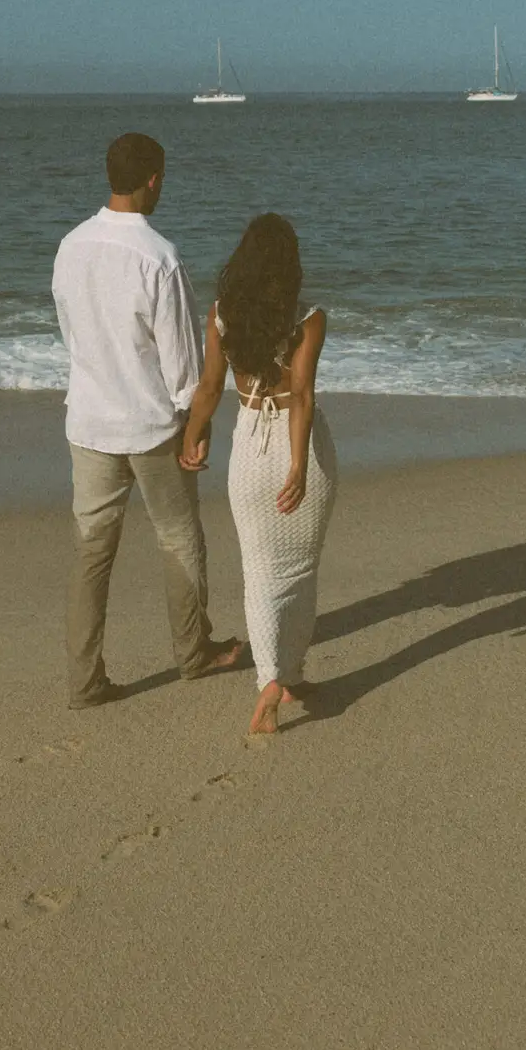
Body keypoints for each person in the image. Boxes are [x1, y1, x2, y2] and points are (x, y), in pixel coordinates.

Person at [51, 132, 241, 709]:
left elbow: (71, 333)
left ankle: (84, 680)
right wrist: (196, 427)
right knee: (179, 537)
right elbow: (183, 366)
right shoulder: (159, 256)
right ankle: (193, 651)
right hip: (150, 425)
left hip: (89, 421)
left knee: (92, 554)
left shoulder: (70, 246)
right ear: (153, 180)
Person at [180, 213, 338, 734]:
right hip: (303, 449)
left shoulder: (223, 316)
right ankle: (288, 675)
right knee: (301, 570)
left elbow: (207, 388)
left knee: (261, 573)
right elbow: (304, 399)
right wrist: (297, 465)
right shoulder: (308, 317)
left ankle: (272, 678)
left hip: (250, 448)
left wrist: (193, 434)